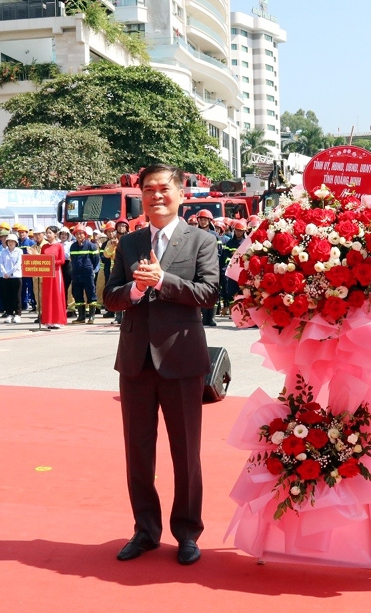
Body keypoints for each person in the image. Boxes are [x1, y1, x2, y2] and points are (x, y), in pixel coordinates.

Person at [103, 163, 220, 567]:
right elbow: (110, 298)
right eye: (148, 189)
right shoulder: (130, 243)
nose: (156, 195)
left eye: (164, 188)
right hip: (135, 362)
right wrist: (135, 288)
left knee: (186, 452)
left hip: (182, 359)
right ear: (140, 196)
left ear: (182, 193)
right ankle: (145, 530)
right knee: (138, 451)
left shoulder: (201, 241)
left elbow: (208, 293)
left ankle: (187, 532)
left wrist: (162, 280)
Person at [69, 225, 100, 323]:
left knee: (91, 293)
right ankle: (81, 317)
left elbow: (95, 260)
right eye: (77, 234)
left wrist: (90, 269)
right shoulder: (73, 246)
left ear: (85, 235)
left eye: (81, 233)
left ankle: (91, 317)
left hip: (87, 273)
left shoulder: (91, 246)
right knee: (77, 294)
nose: (79, 236)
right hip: (76, 273)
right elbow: (72, 260)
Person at [39, 226, 67, 329]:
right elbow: (41, 259)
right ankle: (48, 320)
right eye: (47, 233)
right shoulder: (44, 247)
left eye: (50, 233)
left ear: (55, 234)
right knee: (47, 296)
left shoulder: (59, 246)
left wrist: (51, 263)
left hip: (56, 273)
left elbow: (62, 260)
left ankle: (58, 320)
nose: (48, 235)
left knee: (56, 294)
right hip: (47, 274)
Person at [0, 234, 23, 323]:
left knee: (17, 296)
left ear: (16, 242)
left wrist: (9, 272)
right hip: (6, 277)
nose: (11, 243)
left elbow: (18, 263)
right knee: (8, 296)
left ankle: (18, 314)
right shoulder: (3, 252)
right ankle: (9, 314)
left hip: (16, 276)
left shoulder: (19, 251)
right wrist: (4, 273)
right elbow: (1, 263)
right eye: (9, 241)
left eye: (12, 241)